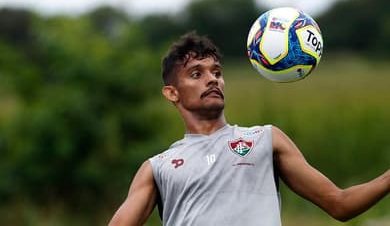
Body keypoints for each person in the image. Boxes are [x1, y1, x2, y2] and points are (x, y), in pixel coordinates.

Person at [109, 32, 389, 226]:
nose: (212, 80)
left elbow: (340, 204)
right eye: (197, 74)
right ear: (172, 93)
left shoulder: (266, 139)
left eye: (217, 72)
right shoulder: (158, 167)